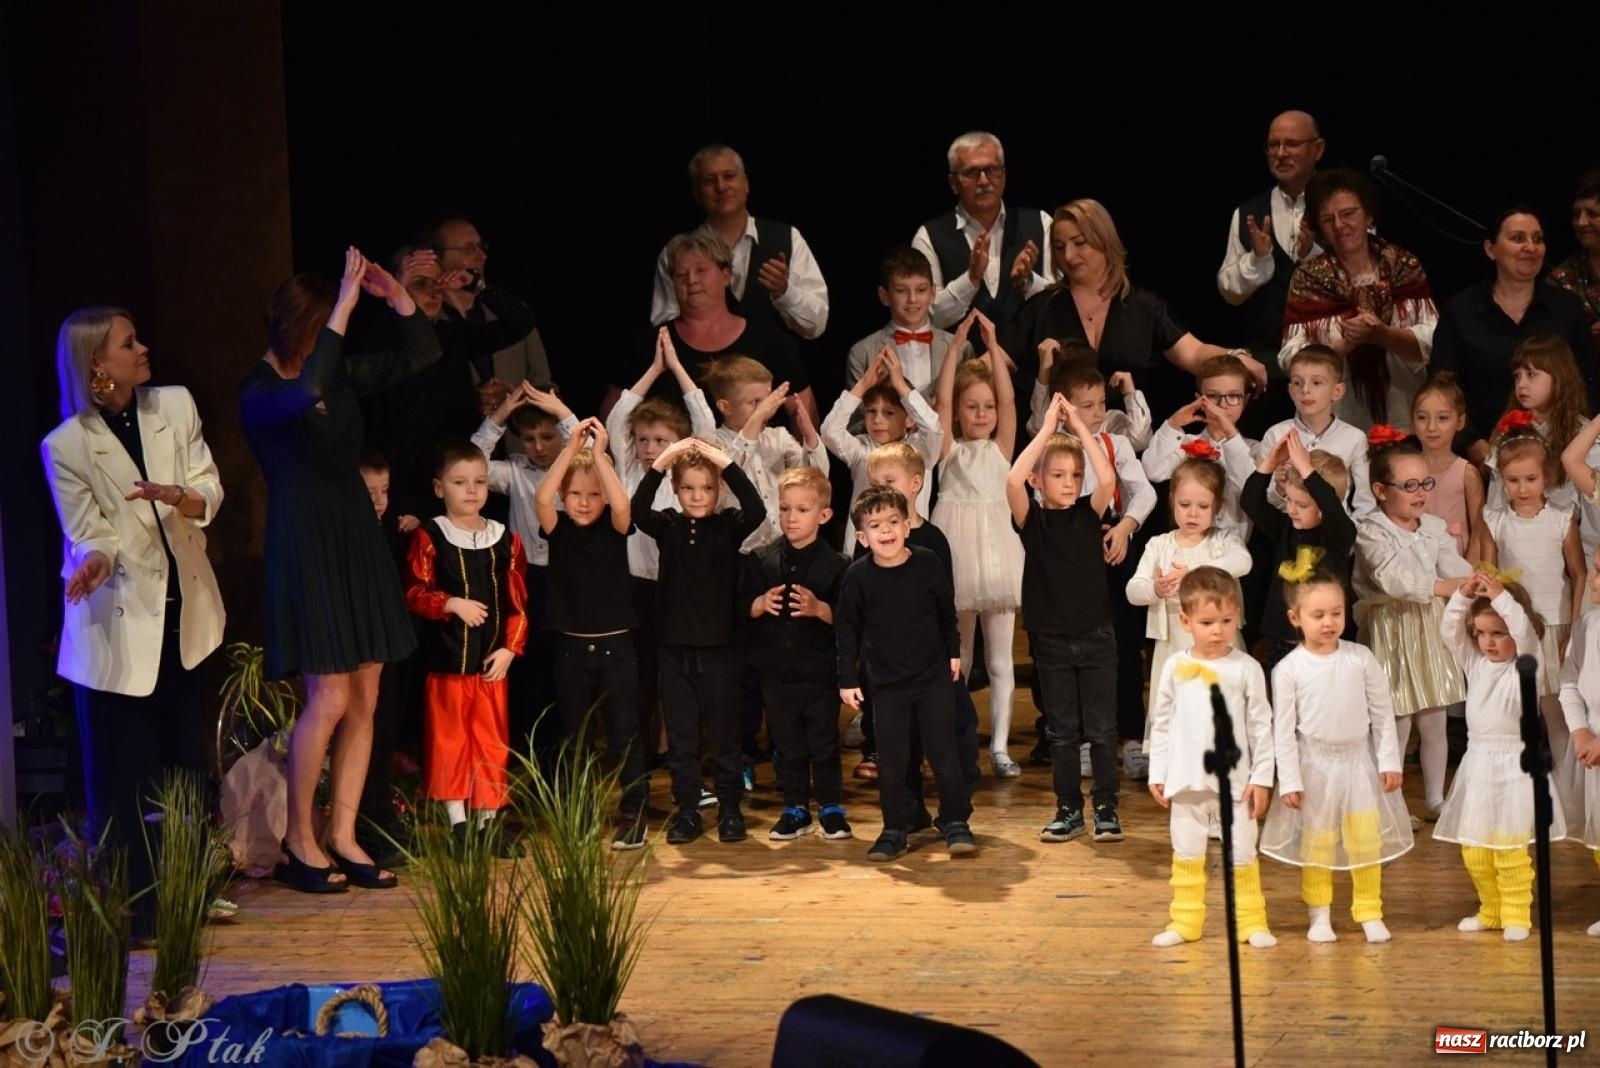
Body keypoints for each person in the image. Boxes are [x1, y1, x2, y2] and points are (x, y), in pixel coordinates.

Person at [240, 248, 443, 893]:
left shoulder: (341, 372)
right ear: (301, 326)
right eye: (329, 322)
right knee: (326, 695)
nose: (341, 331)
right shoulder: (261, 390)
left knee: (366, 691)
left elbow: (422, 355)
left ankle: (344, 834)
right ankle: (301, 838)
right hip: (307, 543)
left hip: (355, 535)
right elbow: (306, 392)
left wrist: (397, 299)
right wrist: (344, 311)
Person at [42, 306, 225, 934]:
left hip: (184, 621)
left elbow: (209, 486)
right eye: (128, 343)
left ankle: (189, 895)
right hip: (119, 632)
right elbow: (89, 534)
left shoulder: (173, 406)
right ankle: (139, 911)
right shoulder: (66, 445)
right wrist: (91, 563)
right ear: (98, 365)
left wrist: (179, 495)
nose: (143, 348)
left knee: (183, 771)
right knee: (125, 781)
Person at [1004, 199, 1267, 426]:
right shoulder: (1043, 307)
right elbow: (994, 365)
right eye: (1060, 247)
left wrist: (1237, 357)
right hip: (1061, 459)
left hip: (1130, 451)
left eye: (1079, 243)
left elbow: (1194, 352)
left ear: (1104, 241)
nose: (1069, 256)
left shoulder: (1143, 306)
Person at [1259, 568, 1412, 944]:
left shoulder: (1360, 658)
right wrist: (1290, 780)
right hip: (1316, 768)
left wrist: (1389, 761)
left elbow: (1382, 713)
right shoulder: (1288, 669)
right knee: (1319, 842)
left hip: (1359, 763)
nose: (1329, 622)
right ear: (1295, 618)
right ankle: (1319, 913)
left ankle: (1369, 909)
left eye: (1336, 613)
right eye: (1318, 615)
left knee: (1365, 838)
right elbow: (1284, 732)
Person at [631, 438, 765, 845]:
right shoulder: (669, 526)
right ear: (675, 488)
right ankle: (687, 810)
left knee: (724, 737)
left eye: (706, 488)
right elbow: (638, 511)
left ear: (719, 489)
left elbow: (757, 509)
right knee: (683, 740)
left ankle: (729, 809)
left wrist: (724, 462)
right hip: (675, 652)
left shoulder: (728, 528)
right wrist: (664, 462)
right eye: (688, 487)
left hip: (721, 652)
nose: (697, 496)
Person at [1007, 394, 1121, 843]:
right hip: (1051, 640)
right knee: (1062, 731)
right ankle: (1068, 807)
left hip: (1096, 636)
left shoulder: (1089, 514)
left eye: (1075, 475)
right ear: (1040, 480)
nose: (1070, 482)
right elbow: (1014, 479)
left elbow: (1108, 477)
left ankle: (1106, 806)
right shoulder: (1031, 520)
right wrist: (1047, 430)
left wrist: (1077, 426)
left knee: (1102, 729)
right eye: (1058, 476)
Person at [605, 328, 717, 782]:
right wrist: (653, 369)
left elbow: (705, 428)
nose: (650, 448)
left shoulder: (687, 471)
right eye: (644, 440)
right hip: (631, 586)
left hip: (676, 588)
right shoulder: (630, 470)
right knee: (638, 675)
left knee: (675, 674)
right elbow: (617, 421)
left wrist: (677, 370)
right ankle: (642, 751)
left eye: (660, 440)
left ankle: (675, 748)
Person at [837, 486, 974, 860]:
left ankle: (955, 821)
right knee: (893, 760)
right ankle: (894, 827)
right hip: (887, 684)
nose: (886, 531)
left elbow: (946, 609)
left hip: (932, 678)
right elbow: (846, 630)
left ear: (907, 526)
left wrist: (953, 652)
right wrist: (847, 679)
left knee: (943, 753)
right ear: (862, 537)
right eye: (876, 525)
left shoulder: (928, 562)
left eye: (893, 521)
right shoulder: (857, 576)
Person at [405, 439, 528, 844]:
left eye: (479, 481)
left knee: (491, 742)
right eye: (460, 482)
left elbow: (518, 601)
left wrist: (511, 647)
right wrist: (452, 603)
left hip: (491, 664)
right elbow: (415, 593)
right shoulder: (431, 536)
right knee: (450, 742)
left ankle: (487, 824)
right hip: (449, 664)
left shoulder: (504, 539)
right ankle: (458, 823)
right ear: (440, 488)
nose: (472, 490)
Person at [1146, 567, 1277, 949]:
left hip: (1236, 784)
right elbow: (1163, 722)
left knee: (1242, 854)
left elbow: (1261, 727)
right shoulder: (1175, 667)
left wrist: (1262, 778)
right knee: (1187, 853)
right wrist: (1159, 770)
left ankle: (1252, 922)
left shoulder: (1246, 668)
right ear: (1186, 621)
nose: (1217, 630)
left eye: (1226, 620)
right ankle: (1185, 921)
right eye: (1207, 622)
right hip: (1187, 781)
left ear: (1238, 614)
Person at [1434, 572, 1566, 942]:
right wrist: (1462, 594)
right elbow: (1450, 630)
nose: (1488, 642)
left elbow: (1524, 631)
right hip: (1477, 765)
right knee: (1475, 850)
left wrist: (1501, 597)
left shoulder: (1528, 666)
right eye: (1481, 633)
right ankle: (1490, 910)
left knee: (1509, 848)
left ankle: (1516, 913)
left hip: (1515, 766)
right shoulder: (1475, 663)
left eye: (1498, 633)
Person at [535, 419, 648, 850]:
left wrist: (599, 456)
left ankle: (632, 811)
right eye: (576, 495)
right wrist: (570, 449)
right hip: (571, 649)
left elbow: (622, 506)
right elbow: (543, 495)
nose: (584, 503)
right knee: (575, 735)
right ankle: (578, 811)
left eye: (593, 494)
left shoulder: (615, 527)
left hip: (617, 647)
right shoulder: (557, 526)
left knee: (624, 733)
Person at [1352, 430, 1472, 826]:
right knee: (1396, 718)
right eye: (1409, 486)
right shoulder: (1373, 531)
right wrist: (1439, 586)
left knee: (1435, 715)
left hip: (1429, 628)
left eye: (1425, 483)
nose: (1420, 492)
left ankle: (1435, 798)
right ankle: (1391, 801)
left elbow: (1455, 569)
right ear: (1381, 490)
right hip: (1392, 629)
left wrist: (1474, 583)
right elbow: (1391, 578)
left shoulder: (1433, 527)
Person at [932, 312, 1024, 776]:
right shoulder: (947, 449)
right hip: (957, 560)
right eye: (973, 407)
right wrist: (954, 348)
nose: (983, 414)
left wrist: (992, 341)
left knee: (1001, 658)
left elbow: (1009, 404)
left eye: (987, 406)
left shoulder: (1002, 448)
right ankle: (957, 736)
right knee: (960, 656)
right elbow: (942, 400)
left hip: (997, 558)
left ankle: (1001, 746)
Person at [1430, 205, 1598, 458]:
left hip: (1560, 455)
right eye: (1518, 239)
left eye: (1537, 239)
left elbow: (1590, 383)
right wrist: (1476, 446)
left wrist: (1571, 449)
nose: (1531, 247)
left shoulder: (1567, 308)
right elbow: (1442, 387)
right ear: (1490, 249)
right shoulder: (1460, 310)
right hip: (1480, 455)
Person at [1279, 169, 1436, 432]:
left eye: (1348, 213)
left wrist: (1383, 335)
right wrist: (1340, 347)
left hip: (1405, 412)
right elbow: (1290, 359)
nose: (1340, 225)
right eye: (1328, 219)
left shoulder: (1404, 266)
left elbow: (1434, 342)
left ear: (1369, 216)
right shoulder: (1308, 279)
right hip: (1336, 421)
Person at [742, 467, 852, 841]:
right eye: (785, 509)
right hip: (776, 672)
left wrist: (821, 609)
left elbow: (852, 620)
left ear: (823, 515)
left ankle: (832, 807)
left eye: (801, 510)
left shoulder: (839, 565)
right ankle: (795, 807)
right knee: (786, 743)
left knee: (822, 742)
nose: (791, 517)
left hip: (819, 672)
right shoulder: (761, 559)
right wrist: (757, 605)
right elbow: (740, 610)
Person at [608, 230, 816, 426]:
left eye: (701, 270)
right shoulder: (649, 345)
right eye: (681, 274)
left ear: (725, 275)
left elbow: (803, 413)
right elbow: (612, 415)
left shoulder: (770, 341)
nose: (692, 280)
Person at [1127, 449, 1253, 752]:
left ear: (1217, 506)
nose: (1193, 513)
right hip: (1173, 641)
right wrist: (1156, 588)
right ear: (1173, 502)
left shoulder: (1223, 542)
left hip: (1218, 643)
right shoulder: (1160, 544)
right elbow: (1134, 589)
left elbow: (1243, 562)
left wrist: (1193, 574)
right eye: (1185, 505)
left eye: (1202, 506)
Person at [650, 144, 828, 341]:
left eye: (729, 176)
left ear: (746, 183)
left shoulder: (787, 237)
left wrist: (784, 291)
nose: (721, 187)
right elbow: (664, 330)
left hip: (775, 369)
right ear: (697, 193)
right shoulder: (677, 254)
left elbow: (816, 325)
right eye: (710, 180)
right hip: (704, 369)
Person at [1217, 110, 1326, 431]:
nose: (1280, 153)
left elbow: (1362, 278)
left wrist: (1315, 255)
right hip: (1268, 366)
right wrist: (1260, 261)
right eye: (1273, 145)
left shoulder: (1342, 206)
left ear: (1317, 149)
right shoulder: (1249, 211)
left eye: (1291, 144)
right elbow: (1229, 291)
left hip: (1329, 366)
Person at [1478, 423, 1585, 706]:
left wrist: (1574, 628)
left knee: (1557, 709)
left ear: (1546, 476)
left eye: (1530, 478)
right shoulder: (1494, 519)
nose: (1522, 488)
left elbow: (1579, 574)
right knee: (1515, 708)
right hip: (1512, 624)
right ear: (1502, 478)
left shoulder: (1562, 518)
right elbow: (1488, 577)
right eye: (1513, 480)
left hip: (1555, 623)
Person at [1240, 433, 1356, 676]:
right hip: (1280, 639)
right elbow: (1250, 501)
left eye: (1302, 505)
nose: (1292, 509)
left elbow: (1333, 508)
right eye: (1289, 500)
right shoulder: (1284, 527)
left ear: (1324, 507)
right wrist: (1270, 462)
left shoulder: (1337, 535)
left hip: (1323, 642)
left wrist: (1306, 469)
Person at [912, 131, 1053, 331]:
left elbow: (1060, 306)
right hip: (961, 361)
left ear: (1004, 176)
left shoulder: (1041, 222)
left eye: (992, 169)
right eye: (971, 173)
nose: (984, 181)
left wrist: (1027, 281)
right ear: (953, 183)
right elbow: (925, 317)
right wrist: (970, 279)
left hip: (1031, 360)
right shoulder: (929, 236)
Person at [427, 214, 553, 435]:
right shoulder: (430, 325)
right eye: (469, 249)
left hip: (515, 451)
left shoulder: (510, 314)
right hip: (455, 451)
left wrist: (515, 399)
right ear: (437, 259)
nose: (481, 256)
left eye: (481, 246)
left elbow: (546, 387)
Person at [821, 346, 942, 545]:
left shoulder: (918, 451)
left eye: (889, 412)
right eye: (871, 411)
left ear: (909, 419)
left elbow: (934, 428)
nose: (877, 419)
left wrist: (901, 386)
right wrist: (862, 385)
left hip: (910, 547)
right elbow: (829, 432)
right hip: (864, 548)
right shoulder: (861, 450)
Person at [705, 355, 826, 554]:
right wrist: (757, 419)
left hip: (781, 548)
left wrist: (810, 435)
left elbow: (815, 479)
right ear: (724, 407)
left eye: (767, 400)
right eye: (755, 402)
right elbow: (731, 474)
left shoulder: (777, 436)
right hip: (738, 552)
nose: (766, 409)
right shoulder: (712, 444)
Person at [1141, 354, 1260, 542]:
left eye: (1233, 396)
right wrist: (1172, 425)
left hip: (1233, 552)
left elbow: (1253, 488)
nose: (1222, 406)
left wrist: (1229, 431)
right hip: (1187, 547)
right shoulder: (1187, 442)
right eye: (1213, 396)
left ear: (1244, 401)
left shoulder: (1254, 449)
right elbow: (1153, 470)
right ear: (1199, 400)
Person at [844, 247, 972, 411]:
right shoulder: (863, 353)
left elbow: (966, 408)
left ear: (933, 293)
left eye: (921, 290)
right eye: (901, 291)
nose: (912, 299)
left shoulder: (961, 349)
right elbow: (857, 421)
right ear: (884, 296)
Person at [1254, 345, 1374, 516]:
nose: (1305, 390)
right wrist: (1280, 490)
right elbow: (1261, 498)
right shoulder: (1276, 435)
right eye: (1297, 382)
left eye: (1316, 382)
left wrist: (1347, 534)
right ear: (1290, 390)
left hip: (1334, 534)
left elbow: (1365, 501)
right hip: (1287, 531)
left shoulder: (1354, 438)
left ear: (1337, 391)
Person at [1557, 548, 1600, 934]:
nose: (1595, 582)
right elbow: (1569, 680)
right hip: (1592, 744)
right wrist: (1580, 729)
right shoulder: (1587, 625)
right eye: (1597, 571)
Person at [1412, 374, 1486, 560]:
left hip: (1457, 558)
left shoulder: (1466, 473)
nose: (1431, 427)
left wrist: (1467, 572)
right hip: (1417, 556)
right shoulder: (1406, 470)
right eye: (1422, 417)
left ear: (1460, 422)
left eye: (1442, 418)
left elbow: (1479, 529)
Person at [1547, 170, 1600, 336]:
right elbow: (1552, 349)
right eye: (1576, 215)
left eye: (1592, 214)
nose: (1581, 223)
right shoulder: (1560, 280)